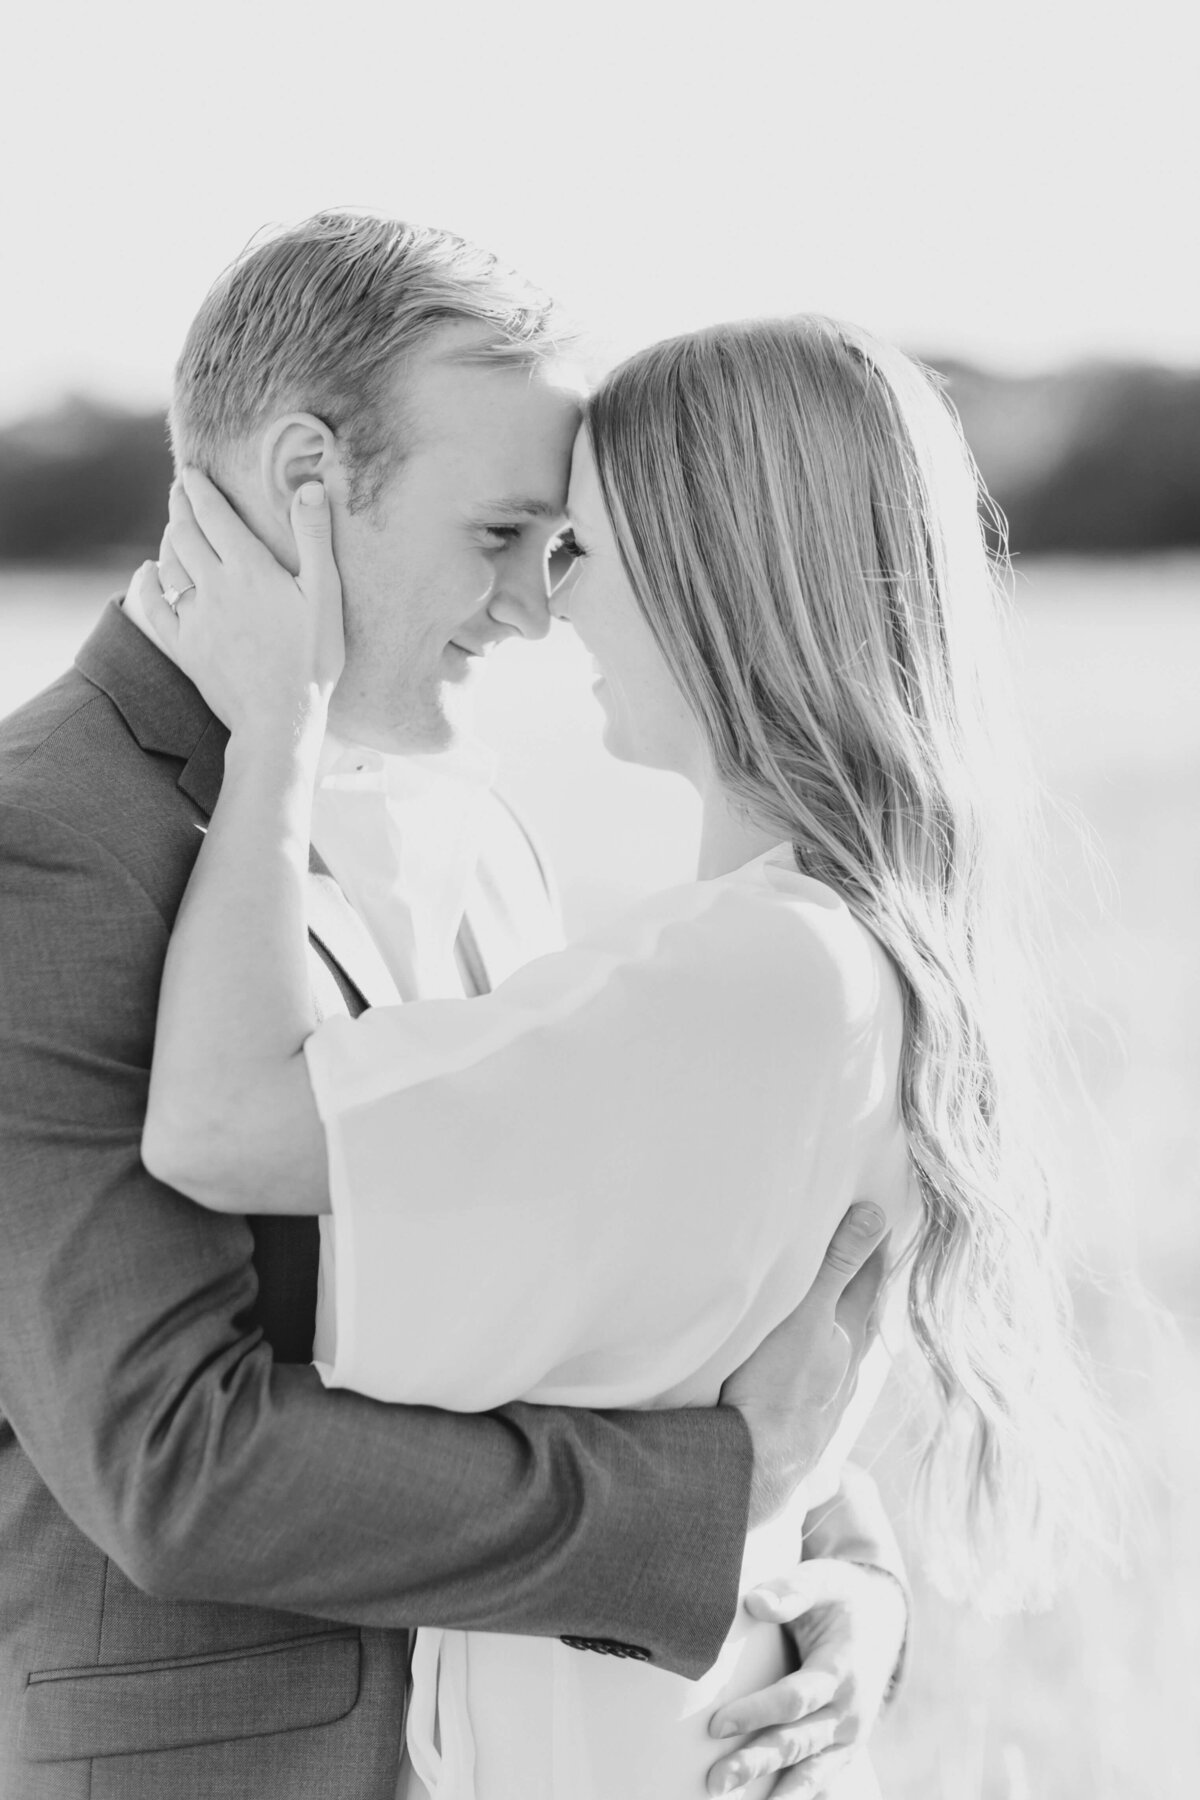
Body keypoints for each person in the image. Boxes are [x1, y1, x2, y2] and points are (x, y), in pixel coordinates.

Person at [0, 214, 909, 1800]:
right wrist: (712, 1501)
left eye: (557, 552)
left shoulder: (469, 823)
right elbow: (172, 1467)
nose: (534, 610)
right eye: (500, 536)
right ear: (307, 481)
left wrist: (834, 1570)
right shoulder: (47, 843)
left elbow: (592, 1288)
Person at [138, 309, 1099, 1797]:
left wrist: (278, 722)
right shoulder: (814, 949)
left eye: (579, 547)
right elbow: (725, 1396)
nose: (546, 607)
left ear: (710, 570)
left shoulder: (760, 973)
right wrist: (850, 1579)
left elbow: (215, 1128)